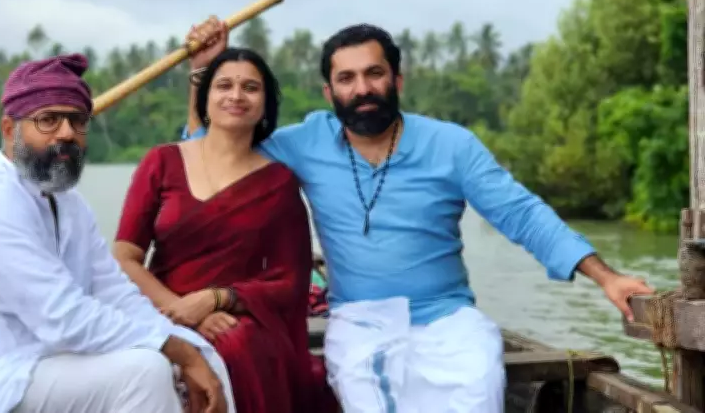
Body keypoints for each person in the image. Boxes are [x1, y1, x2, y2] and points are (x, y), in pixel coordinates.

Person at [181, 22, 656, 412]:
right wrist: (203, 73)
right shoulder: (305, 143)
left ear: (398, 81)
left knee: (480, 385)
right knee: (368, 398)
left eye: (374, 74)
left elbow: (521, 213)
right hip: (359, 320)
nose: (362, 88)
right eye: (347, 78)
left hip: (448, 318)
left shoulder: (450, 145)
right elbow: (213, 154)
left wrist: (606, 278)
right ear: (329, 91)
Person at [0, 53, 234, 413]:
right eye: (48, 120)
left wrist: (188, 348)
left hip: (46, 360)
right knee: (145, 371)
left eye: (77, 121)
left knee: (206, 355)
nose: (66, 133)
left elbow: (115, 294)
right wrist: (174, 349)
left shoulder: (70, 204)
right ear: (9, 130)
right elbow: (64, 317)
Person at [113, 23, 335, 413]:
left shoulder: (278, 182)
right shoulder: (162, 162)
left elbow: (289, 281)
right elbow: (124, 256)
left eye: (250, 87)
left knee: (239, 344)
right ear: (206, 97)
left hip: (238, 317)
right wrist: (182, 310)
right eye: (224, 85)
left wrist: (218, 299)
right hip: (159, 309)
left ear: (265, 104)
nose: (236, 95)